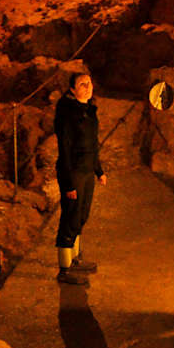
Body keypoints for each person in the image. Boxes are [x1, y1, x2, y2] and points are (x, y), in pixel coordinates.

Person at [54, 72, 105, 285]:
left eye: (89, 83)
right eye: (82, 84)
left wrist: (99, 170)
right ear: (72, 90)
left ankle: (75, 258)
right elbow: (64, 149)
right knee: (70, 217)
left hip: (86, 171)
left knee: (82, 215)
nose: (87, 87)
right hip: (73, 171)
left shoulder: (89, 111)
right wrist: (68, 183)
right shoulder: (67, 114)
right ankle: (64, 269)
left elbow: (93, 145)